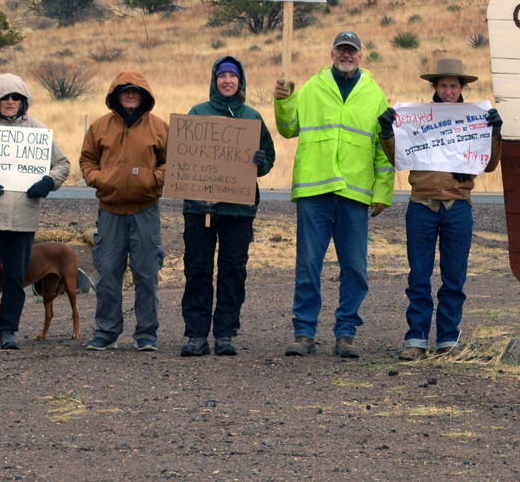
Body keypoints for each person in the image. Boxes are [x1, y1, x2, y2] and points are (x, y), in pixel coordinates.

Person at [273, 31, 393, 359]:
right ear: (332, 54)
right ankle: (304, 333)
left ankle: (346, 334)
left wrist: (383, 190)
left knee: (355, 267)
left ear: (361, 56)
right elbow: (287, 128)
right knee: (308, 264)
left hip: (354, 194)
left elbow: (384, 148)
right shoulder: (312, 87)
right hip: (316, 189)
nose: (347, 55)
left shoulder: (375, 95)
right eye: (342, 49)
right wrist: (283, 100)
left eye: (352, 50)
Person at [377, 57, 500, 361]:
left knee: (454, 278)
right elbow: (398, 158)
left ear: (463, 89)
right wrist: (388, 134)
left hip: (458, 206)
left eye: (453, 86)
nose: (448, 91)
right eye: (443, 85)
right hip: (422, 204)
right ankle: (416, 339)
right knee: (418, 276)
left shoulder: (475, 121)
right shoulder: (417, 119)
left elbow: (490, 164)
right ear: (434, 87)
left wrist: (495, 135)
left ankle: (448, 338)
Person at [0, 72, 68, 352]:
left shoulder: (38, 131)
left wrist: (47, 182)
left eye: (16, 97)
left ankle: (8, 331)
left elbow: (63, 164)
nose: (10, 101)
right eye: (5, 97)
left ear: (24, 100)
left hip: (23, 221)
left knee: (15, 280)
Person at [177, 56, 276, 358]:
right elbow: (183, 163)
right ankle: (196, 334)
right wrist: (195, 198)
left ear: (241, 81)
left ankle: (225, 334)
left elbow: (268, 159)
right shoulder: (198, 113)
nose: (228, 81)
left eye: (233, 76)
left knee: (233, 271)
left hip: (239, 210)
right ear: (215, 80)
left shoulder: (252, 118)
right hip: (200, 210)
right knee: (197, 269)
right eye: (223, 76)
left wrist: (260, 163)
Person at [77, 69, 170, 351]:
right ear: (116, 95)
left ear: (144, 95)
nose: (130, 95)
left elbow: (172, 162)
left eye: (135, 91)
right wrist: (98, 179)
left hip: (146, 211)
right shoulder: (100, 127)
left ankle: (146, 334)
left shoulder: (159, 127)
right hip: (110, 212)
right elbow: (87, 159)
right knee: (107, 274)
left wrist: (153, 180)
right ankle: (106, 331)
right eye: (125, 90)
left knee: (146, 274)